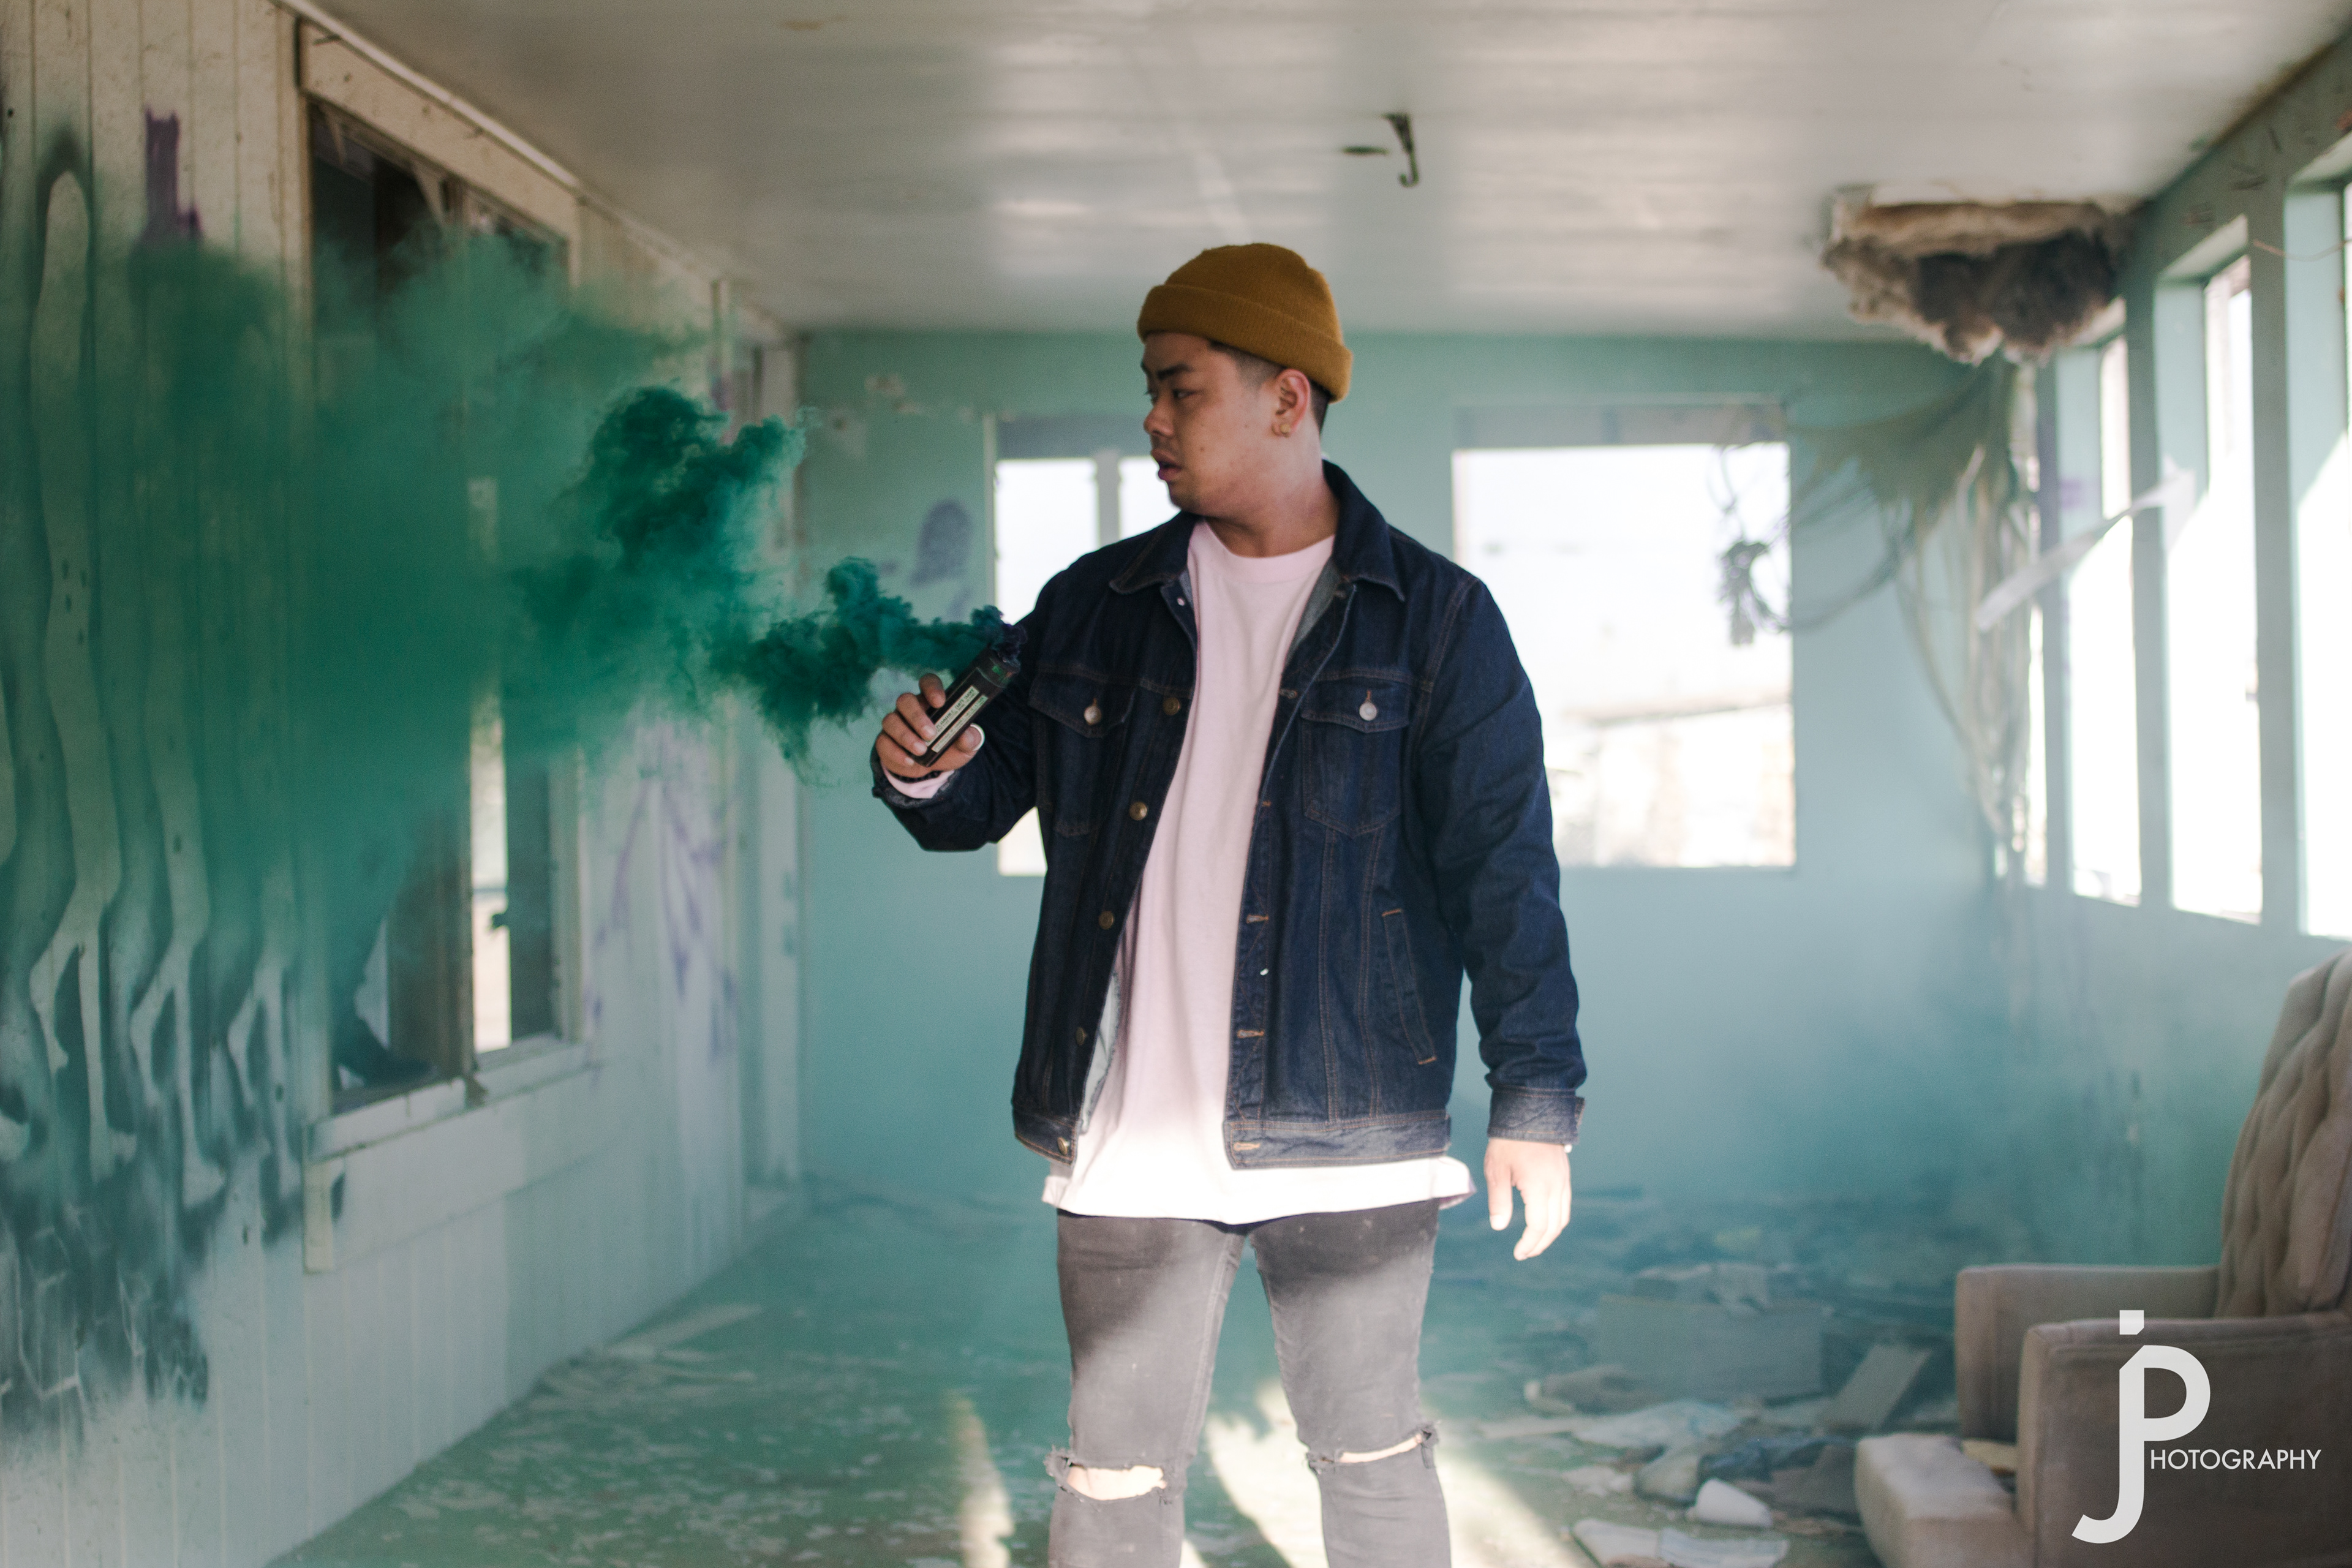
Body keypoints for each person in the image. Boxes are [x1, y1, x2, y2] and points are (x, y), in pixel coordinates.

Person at [871, 243, 1584, 1566]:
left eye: (1179, 387)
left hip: (1351, 1118)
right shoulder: (1094, 604)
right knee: (1112, 1476)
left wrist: (1536, 1102)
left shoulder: (1435, 619)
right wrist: (924, 771)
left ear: (1286, 396)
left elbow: (1505, 869)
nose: (1151, 418)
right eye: (1148, 387)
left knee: (1370, 1457)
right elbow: (976, 802)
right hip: (1130, 1122)